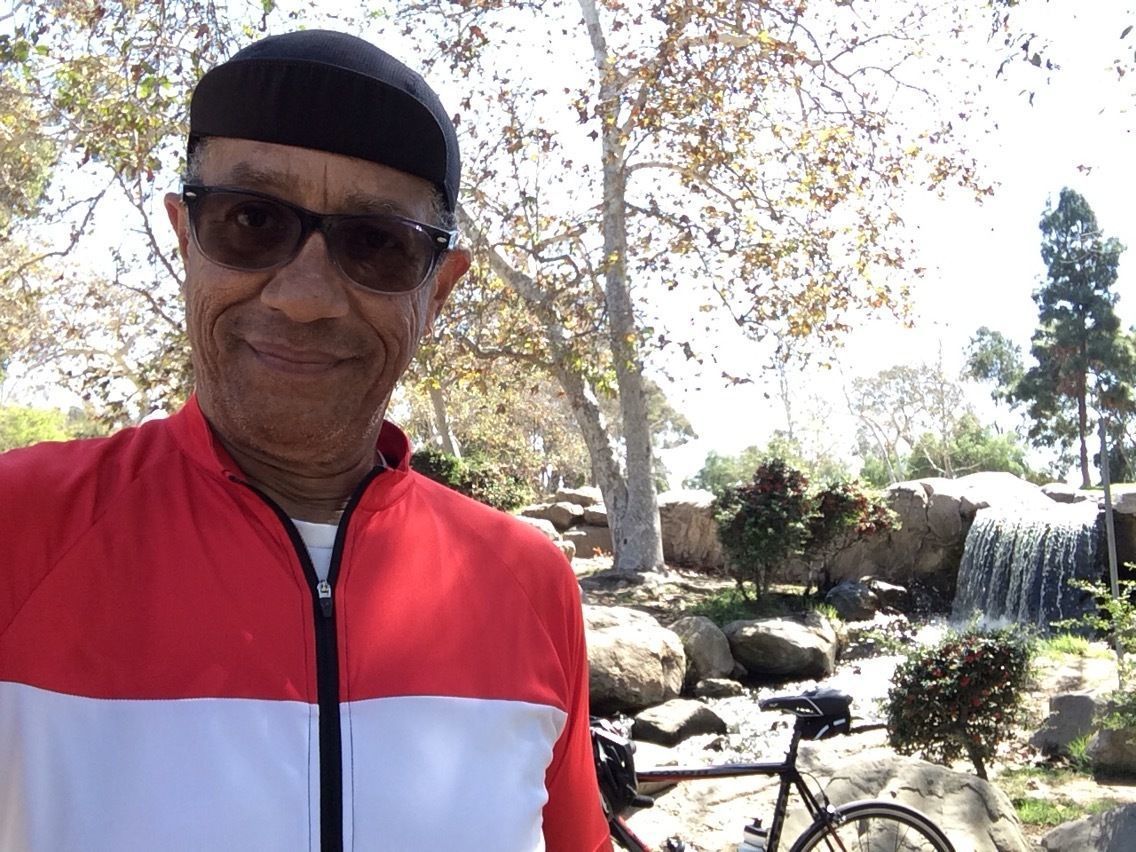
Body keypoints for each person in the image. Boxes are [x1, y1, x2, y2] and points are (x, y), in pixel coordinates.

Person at [0, 30, 611, 851]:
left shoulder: (530, 582)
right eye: (252, 220)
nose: (304, 296)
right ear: (185, 236)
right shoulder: (18, 529)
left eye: (377, 243)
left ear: (439, 291)